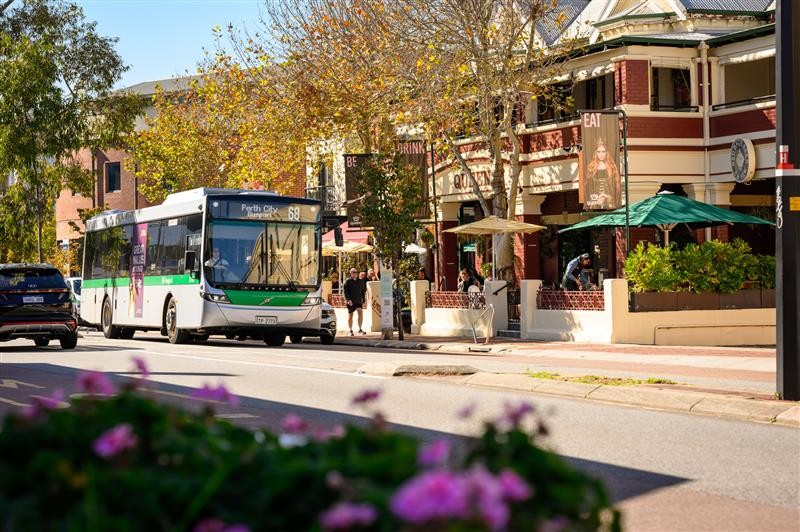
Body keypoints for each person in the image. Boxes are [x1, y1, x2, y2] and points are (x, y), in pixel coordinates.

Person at [584, 137, 621, 210]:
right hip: (595, 202)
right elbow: (587, 186)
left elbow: (617, 185)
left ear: (606, 152)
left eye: (603, 151)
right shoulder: (591, 167)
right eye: (599, 152)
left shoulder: (612, 167)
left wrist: (608, 196)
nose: (601, 154)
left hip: (610, 203)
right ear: (596, 153)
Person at [343, 268, 366, 336]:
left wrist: (363, 300)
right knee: (351, 316)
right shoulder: (347, 281)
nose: (355, 273)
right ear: (351, 273)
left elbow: (363, 291)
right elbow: (345, 292)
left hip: (358, 300)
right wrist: (348, 300)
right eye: (353, 272)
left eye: (356, 272)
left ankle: (360, 329)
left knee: (360, 312)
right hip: (351, 301)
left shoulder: (360, 281)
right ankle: (350, 330)